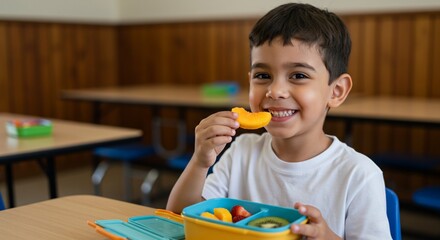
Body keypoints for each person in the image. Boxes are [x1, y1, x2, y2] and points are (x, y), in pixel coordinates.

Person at [167, 3, 391, 239]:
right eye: (263, 76)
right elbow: (179, 218)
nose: (275, 91)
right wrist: (200, 162)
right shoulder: (241, 153)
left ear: (336, 91)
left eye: (298, 76)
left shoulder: (359, 175)